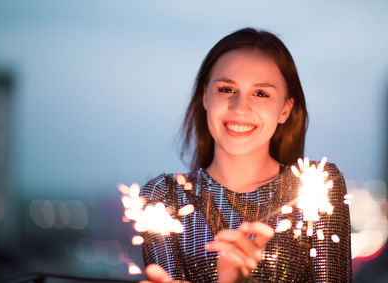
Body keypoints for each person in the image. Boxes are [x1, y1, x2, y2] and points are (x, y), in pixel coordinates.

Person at [139, 28, 351, 282]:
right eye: (227, 89)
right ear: (205, 96)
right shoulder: (164, 199)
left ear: (285, 109)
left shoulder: (315, 191)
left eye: (261, 94)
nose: (240, 108)